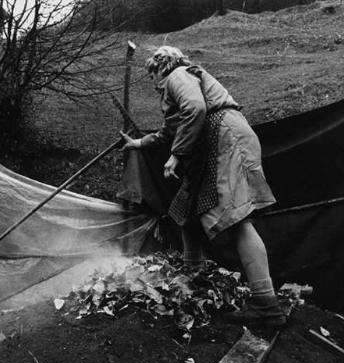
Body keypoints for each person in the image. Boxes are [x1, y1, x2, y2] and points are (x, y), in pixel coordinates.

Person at [120, 46, 285, 326]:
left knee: (237, 220)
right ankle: (192, 277)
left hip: (225, 139)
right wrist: (138, 143)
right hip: (213, 144)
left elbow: (196, 109)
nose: (152, 83)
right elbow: (169, 131)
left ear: (162, 66)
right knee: (186, 210)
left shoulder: (178, 75)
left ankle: (266, 304)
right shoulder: (180, 87)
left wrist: (177, 154)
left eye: (151, 75)